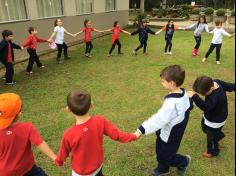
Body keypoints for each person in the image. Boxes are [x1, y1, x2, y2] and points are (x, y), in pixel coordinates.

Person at [54, 89, 138, 176]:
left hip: (81, 173)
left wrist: (58, 161)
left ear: (68, 109)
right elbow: (118, 135)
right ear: (91, 105)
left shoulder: (69, 134)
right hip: (98, 166)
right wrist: (134, 136)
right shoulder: (100, 121)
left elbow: (63, 153)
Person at [135, 65, 193, 176]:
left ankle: (184, 161)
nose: (162, 83)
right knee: (161, 150)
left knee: (166, 155)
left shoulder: (172, 104)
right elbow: (189, 105)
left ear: (172, 83)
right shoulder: (183, 92)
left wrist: (141, 130)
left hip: (171, 134)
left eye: (163, 81)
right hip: (168, 130)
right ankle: (163, 168)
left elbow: (159, 119)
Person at [0, 93, 56, 176]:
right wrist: (53, 157)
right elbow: (39, 143)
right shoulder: (27, 127)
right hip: (29, 169)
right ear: (19, 114)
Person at [187, 76, 235, 158]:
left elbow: (206, 106)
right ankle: (218, 135)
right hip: (210, 116)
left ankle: (213, 151)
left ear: (212, 88)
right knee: (204, 128)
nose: (203, 95)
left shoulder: (215, 96)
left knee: (211, 138)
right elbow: (230, 87)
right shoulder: (217, 82)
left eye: (204, 94)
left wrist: (195, 97)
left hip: (216, 120)